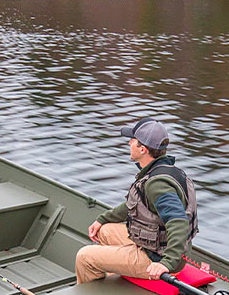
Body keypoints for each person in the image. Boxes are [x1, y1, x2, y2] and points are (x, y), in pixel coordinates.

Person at [75, 118, 198, 284]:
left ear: (143, 149)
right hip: (154, 246)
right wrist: (102, 219)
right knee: (104, 230)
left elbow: (178, 221)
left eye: (132, 141)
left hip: (156, 257)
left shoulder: (157, 183)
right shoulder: (167, 171)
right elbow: (135, 205)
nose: (129, 143)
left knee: (84, 257)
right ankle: (115, 283)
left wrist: (166, 263)